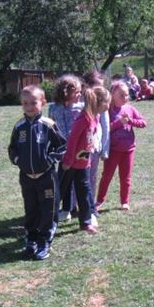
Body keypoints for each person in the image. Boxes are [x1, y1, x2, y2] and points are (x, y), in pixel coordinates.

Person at [8, 85, 66, 260]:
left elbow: (63, 147)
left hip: (46, 177)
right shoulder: (19, 127)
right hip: (27, 178)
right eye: (25, 103)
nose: (29, 106)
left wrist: (49, 159)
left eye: (33, 103)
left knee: (48, 210)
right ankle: (31, 239)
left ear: (43, 103)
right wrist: (18, 160)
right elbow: (12, 148)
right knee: (31, 209)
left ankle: (44, 241)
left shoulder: (48, 125)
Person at [60, 86, 110, 234]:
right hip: (70, 164)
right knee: (59, 192)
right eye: (107, 102)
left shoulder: (95, 117)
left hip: (83, 164)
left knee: (84, 193)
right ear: (98, 103)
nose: (109, 105)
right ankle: (44, 220)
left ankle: (86, 222)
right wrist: (68, 161)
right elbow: (72, 141)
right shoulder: (83, 120)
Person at [96, 81, 147, 211]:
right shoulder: (106, 110)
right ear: (112, 95)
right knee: (106, 176)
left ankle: (125, 201)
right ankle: (99, 200)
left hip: (128, 149)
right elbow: (104, 129)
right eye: (121, 95)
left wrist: (131, 121)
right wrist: (119, 122)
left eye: (127, 95)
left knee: (126, 177)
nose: (125, 98)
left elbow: (143, 123)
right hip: (113, 150)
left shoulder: (129, 108)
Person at [48, 74, 84, 222]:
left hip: (79, 150)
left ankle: (85, 209)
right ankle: (66, 209)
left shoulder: (81, 108)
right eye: (77, 92)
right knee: (64, 181)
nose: (80, 94)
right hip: (63, 151)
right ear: (66, 92)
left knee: (80, 180)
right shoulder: (53, 108)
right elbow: (51, 128)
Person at [83, 70, 110, 223]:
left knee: (92, 178)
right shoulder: (81, 103)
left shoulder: (103, 105)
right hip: (82, 150)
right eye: (96, 86)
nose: (100, 90)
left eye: (102, 86)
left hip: (96, 148)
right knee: (79, 179)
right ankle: (73, 205)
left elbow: (106, 127)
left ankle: (90, 205)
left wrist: (104, 149)